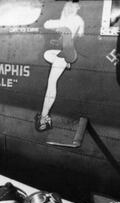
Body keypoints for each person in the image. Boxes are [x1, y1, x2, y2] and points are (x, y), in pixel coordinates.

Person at [36, 0, 85, 132]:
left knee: (51, 83)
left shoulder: (70, 21)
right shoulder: (78, 20)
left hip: (67, 54)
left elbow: (47, 24)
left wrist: (59, 24)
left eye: (71, 7)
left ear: (75, 8)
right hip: (67, 52)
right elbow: (73, 36)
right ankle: (65, 63)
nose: (67, 9)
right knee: (47, 54)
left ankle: (44, 117)